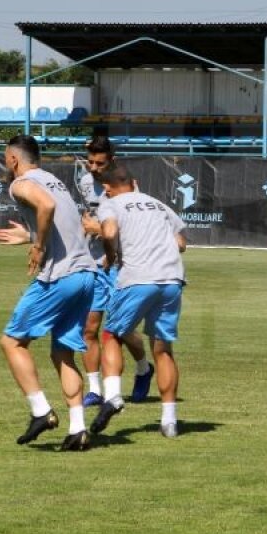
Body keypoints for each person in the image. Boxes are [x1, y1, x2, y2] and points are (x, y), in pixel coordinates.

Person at [0, 134, 97, 451]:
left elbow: (47, 206)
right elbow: (62, 220)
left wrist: (38, 246)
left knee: (12, 341)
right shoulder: (53, 179)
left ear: (13, 159)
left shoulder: (21, 183)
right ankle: (78, 429)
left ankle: (41, 411)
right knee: (62, 351)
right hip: (87, 275)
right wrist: (30, 236)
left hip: (60, 277)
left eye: (5, 157)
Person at [89, 164, 187, 438]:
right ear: (133, 182)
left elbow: (108, 233)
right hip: (171, 279)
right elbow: (180, 243)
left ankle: (113, 397)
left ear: (108, 188)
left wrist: (111, 256)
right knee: (163, 349)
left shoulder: (111, 205)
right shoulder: (158, 204)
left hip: (137, 278)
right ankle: (169, 421)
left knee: (111, 335)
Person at [76, 136, 153, 406]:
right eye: (91, 162)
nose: (94, 168)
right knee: (89, 328)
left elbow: (133, 222)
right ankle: (95, 389)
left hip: (122, 264)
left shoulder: (127, 184)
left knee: (120, 328)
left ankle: (143, 368)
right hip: (93, 263)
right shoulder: (85, 182)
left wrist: (100, 230)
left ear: (113, 160)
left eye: (100, 163)